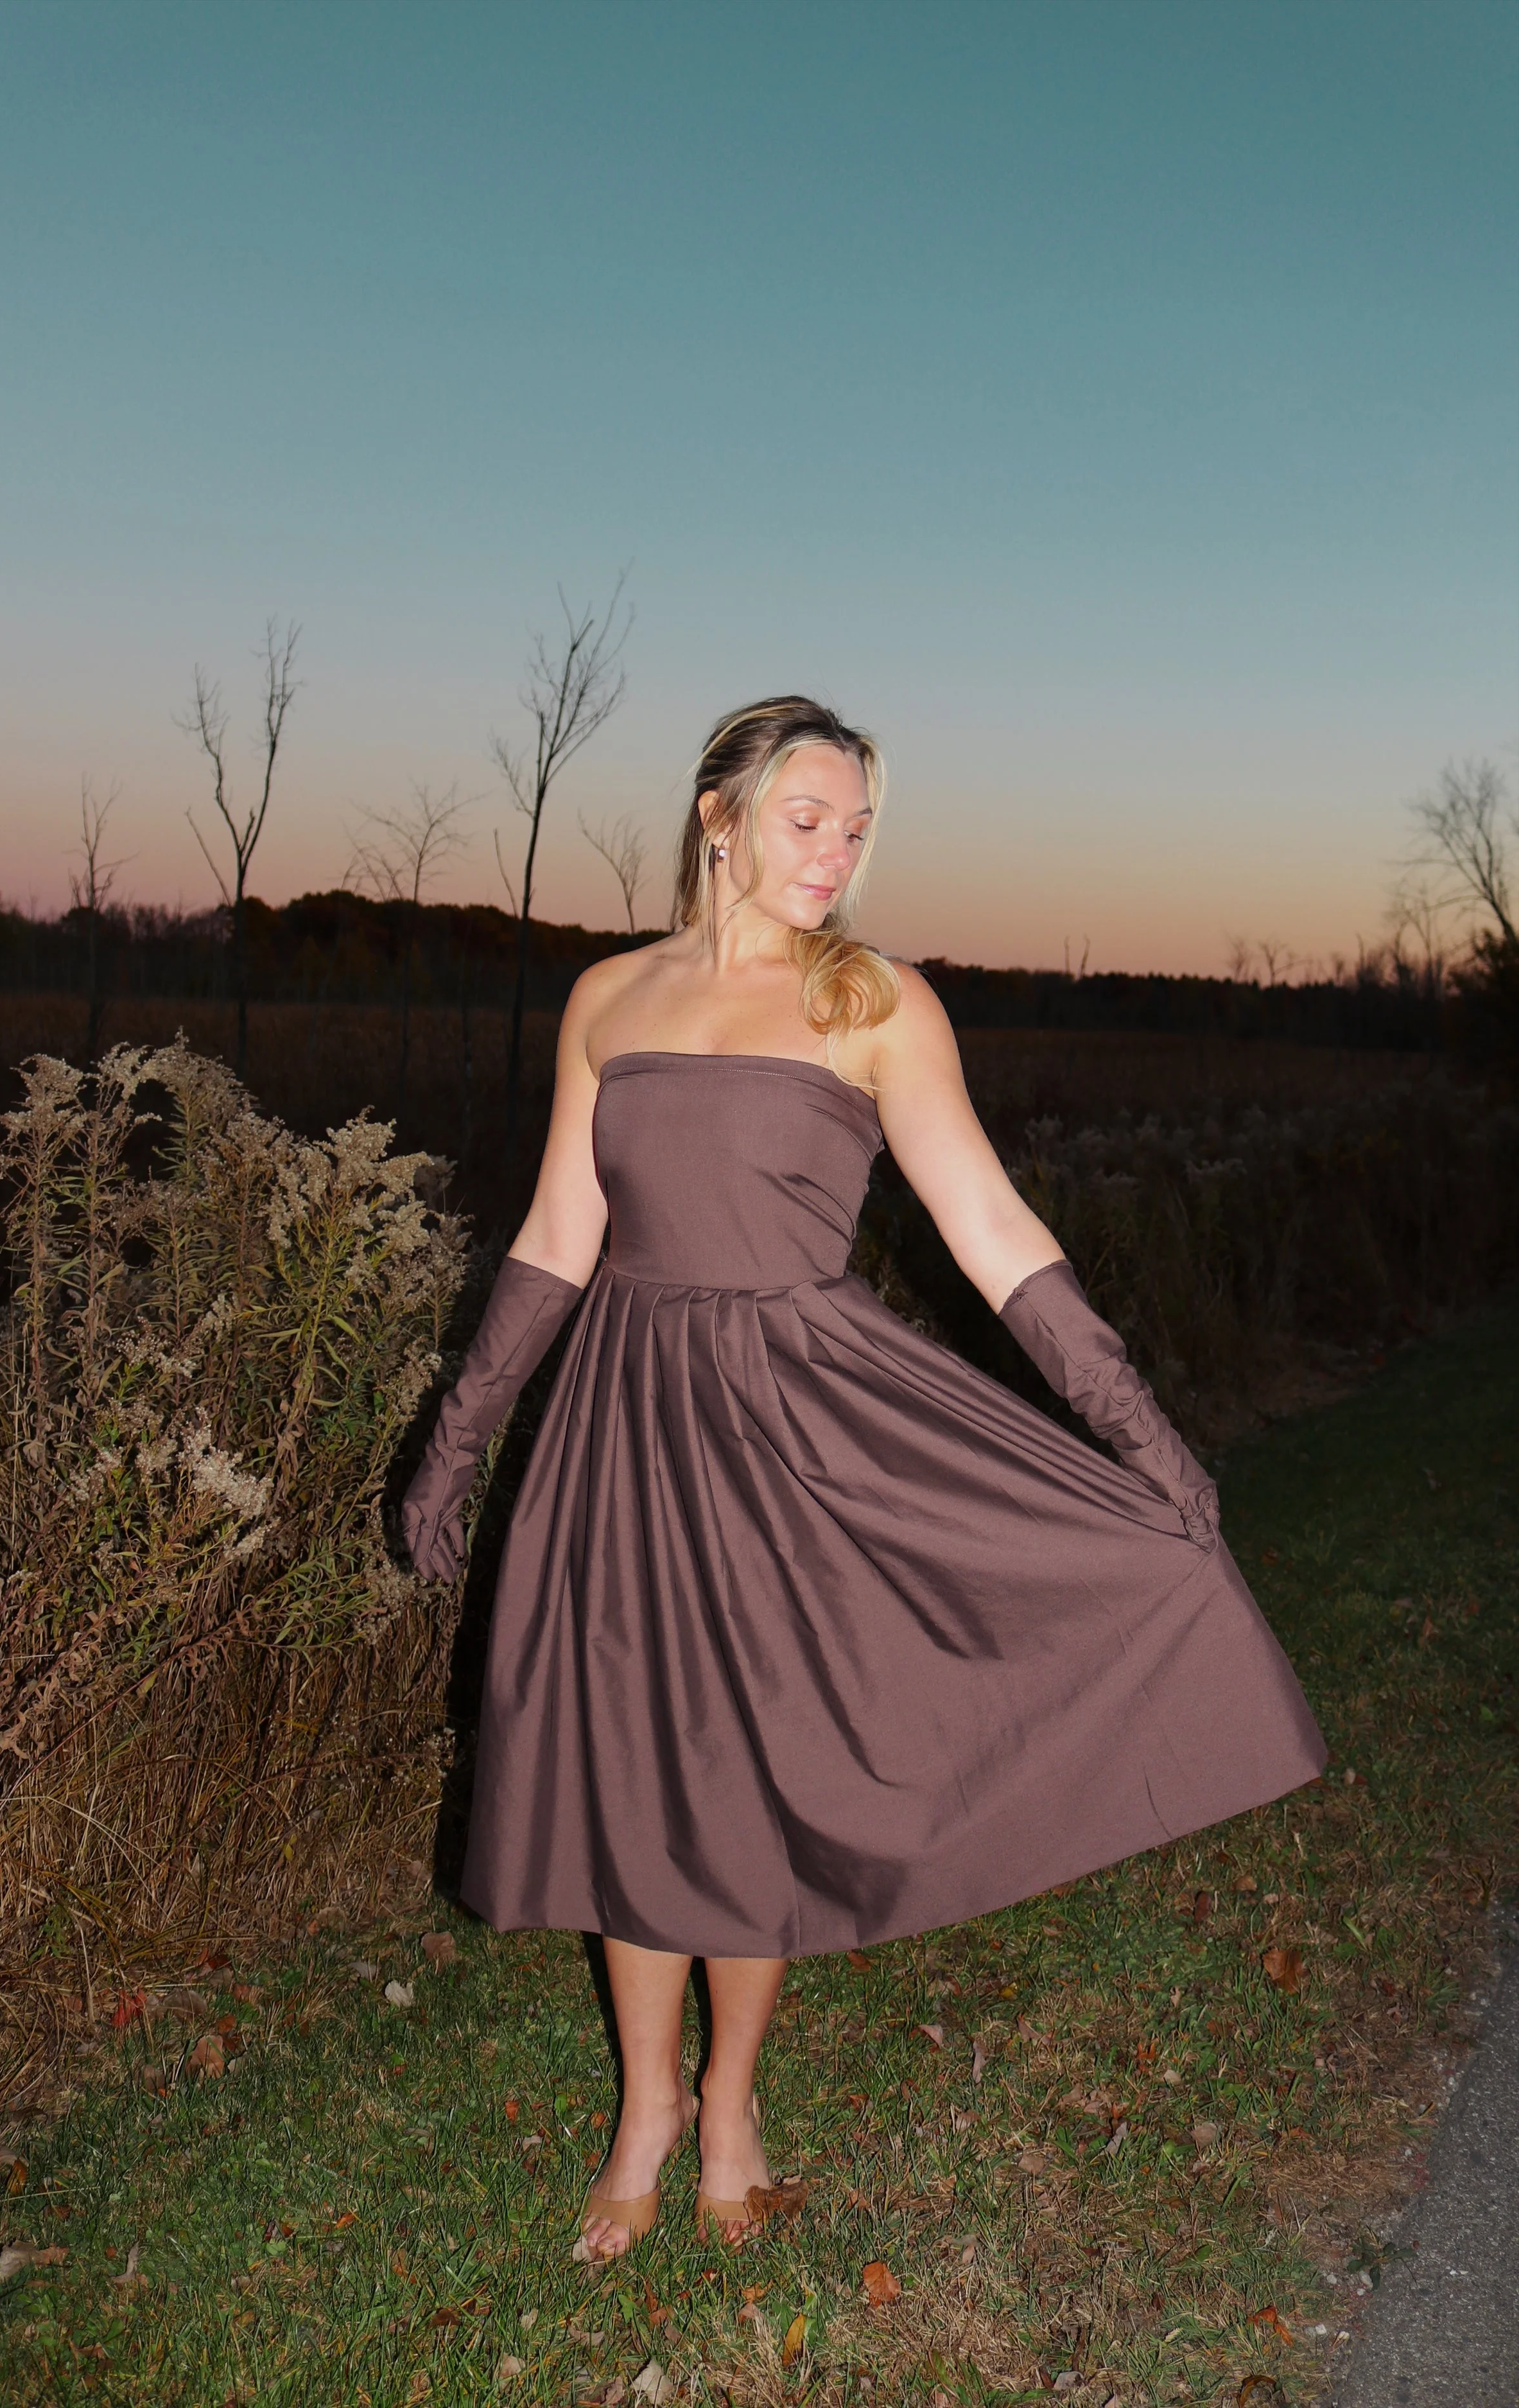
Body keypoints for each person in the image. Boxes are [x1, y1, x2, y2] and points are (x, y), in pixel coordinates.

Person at [402, 695, 1326, 2262]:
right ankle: (646, 2112)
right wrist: (461, 1429)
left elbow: (988, 1228)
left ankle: (737, 2102)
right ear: (720, 817)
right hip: (622, 1420)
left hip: (797, 1426)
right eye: (805, 816)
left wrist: (1135, 1424)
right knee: (630, 1762)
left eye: (857, 825)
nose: (834, 851)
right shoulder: (606, 999)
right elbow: (561, 1232)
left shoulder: (876, 1002)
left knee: (752, 1768)